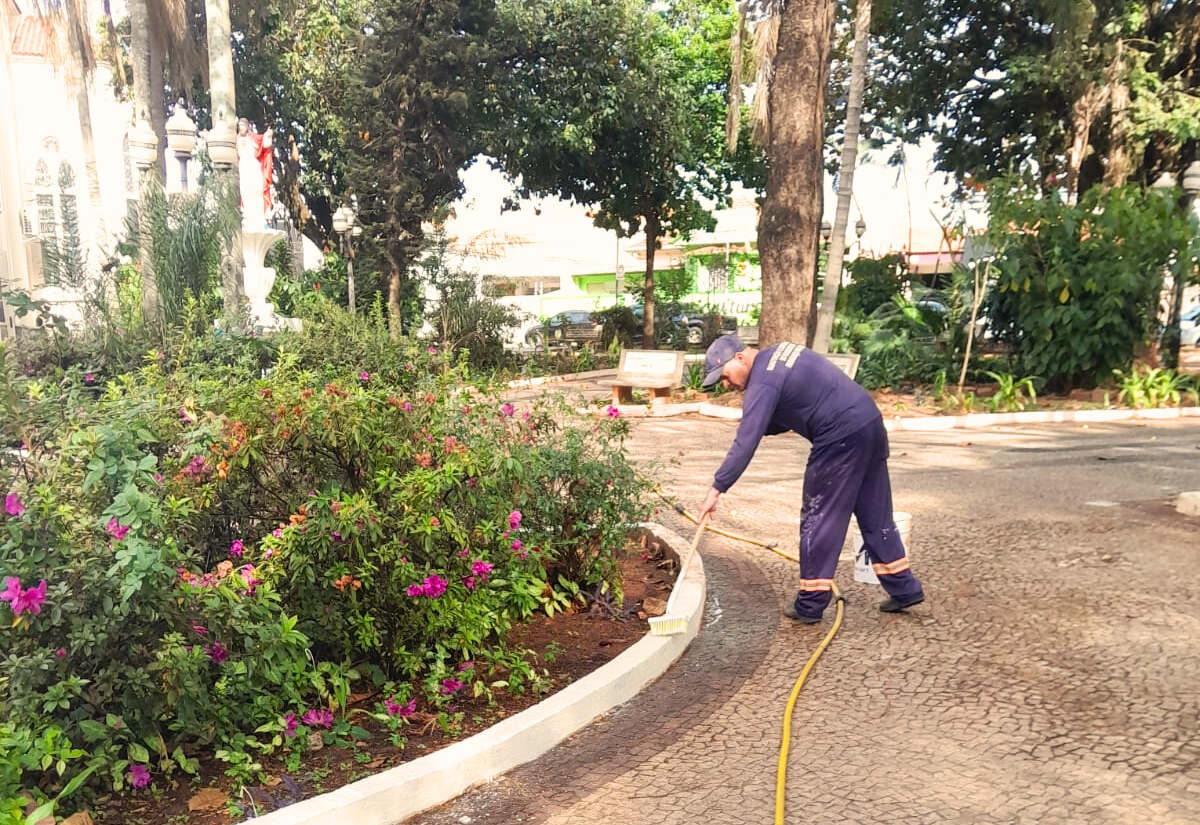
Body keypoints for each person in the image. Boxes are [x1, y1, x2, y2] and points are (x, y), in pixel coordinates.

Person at [696, 335, 924, 623]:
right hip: (869, 423)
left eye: (725, 376)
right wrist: (758, 424)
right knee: (874, 513)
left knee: (820, 517)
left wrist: (717, 488)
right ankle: (904, 587)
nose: (726, 384)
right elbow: (795, 407)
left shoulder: (762, 380)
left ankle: (811, 603)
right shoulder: (779, 354)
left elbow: (747, 441)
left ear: (740, 358)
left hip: (839, 438)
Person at [236, 118, 274, 228]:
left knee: (256, 191)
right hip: (243, 167)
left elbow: (265, 144)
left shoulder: (253, 138)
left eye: (243, 125)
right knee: (245, 191)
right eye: (240, 126)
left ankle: (257, 216)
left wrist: (268, 134)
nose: (241, 128)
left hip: (252, 166)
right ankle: (248, 215)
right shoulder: (236, 140)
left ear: (247, 126)